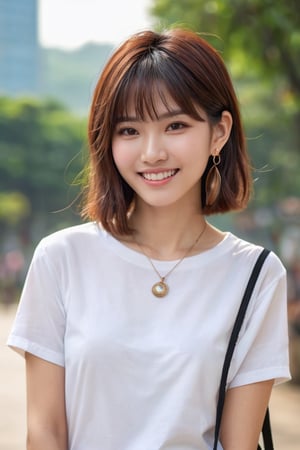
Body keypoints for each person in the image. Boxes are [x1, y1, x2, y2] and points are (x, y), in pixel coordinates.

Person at [7, 28, 290, 450]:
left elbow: (239, 444)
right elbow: (45, 432)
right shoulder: (61, 259)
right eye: (129, 130)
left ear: (219, 132)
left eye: (175, 125)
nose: (152, 152)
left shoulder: (256, 274)